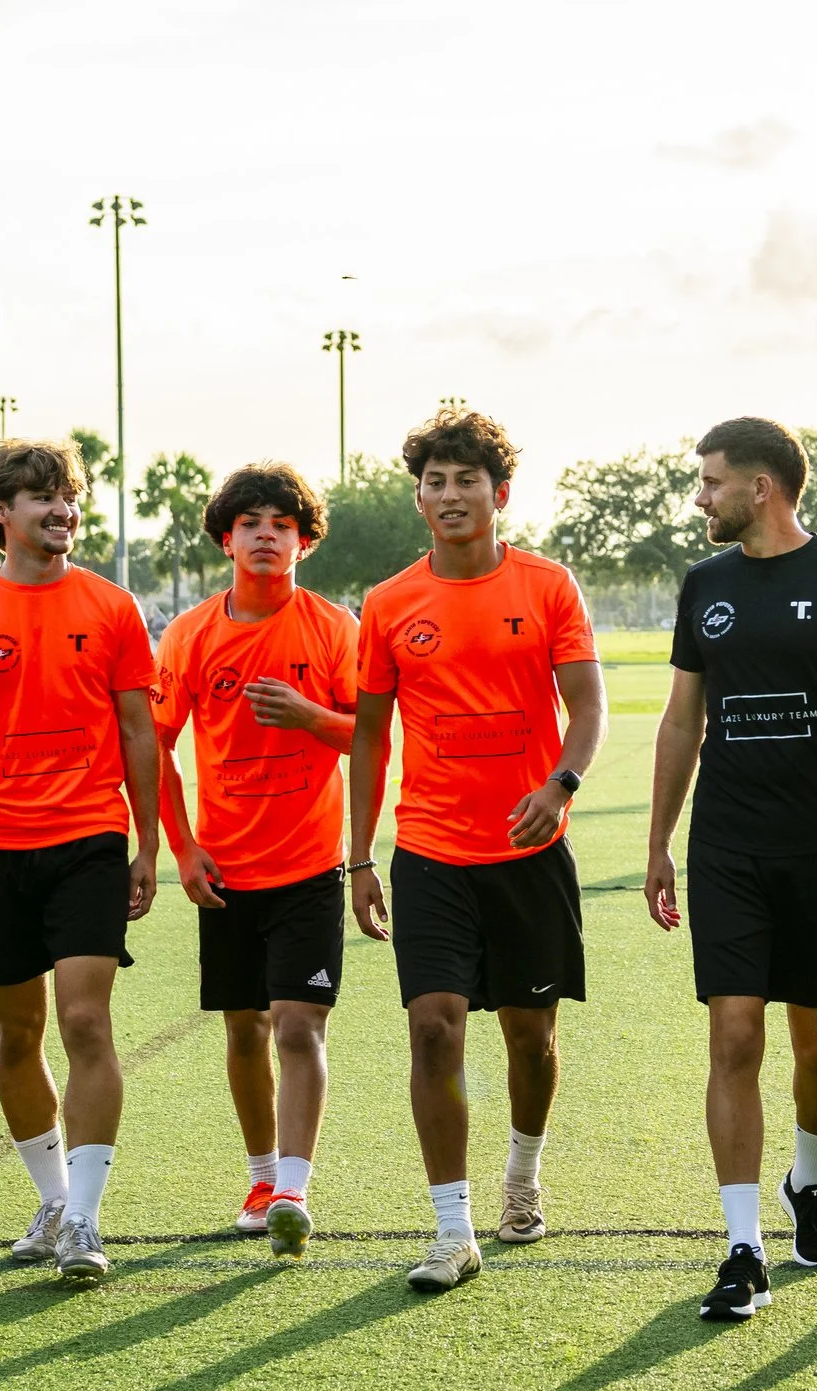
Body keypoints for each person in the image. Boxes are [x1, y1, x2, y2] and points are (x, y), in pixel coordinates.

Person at [646, 416, 817, 1323]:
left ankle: (808, 1181)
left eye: (711, 481)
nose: (701, 497)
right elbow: (683, 720)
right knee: (733, 1036)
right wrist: (659, 841)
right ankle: (743, 1248)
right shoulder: (705, 583)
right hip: (727, 847)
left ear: (761, 487)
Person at [349, 409, 606, 1294]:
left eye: (467, 480)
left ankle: (522, 1178)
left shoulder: (547, 586)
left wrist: (559, 787)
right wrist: (359, 857)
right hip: (430, 852)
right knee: (433, 1029)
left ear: (500, 494)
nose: (450, 495)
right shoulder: (388, 603)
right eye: (436, 481)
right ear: (419, 497)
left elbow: (588, 709)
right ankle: (452, 1231)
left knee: (531, 1039)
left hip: (530, 852)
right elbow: (370, 739)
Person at [0, 438, 159, 1284]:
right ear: (1, 513)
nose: (62, 510)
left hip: (88, 838)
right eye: (43, 497)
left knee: (85, 1021)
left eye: (69, 496)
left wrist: (148, 841)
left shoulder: (113, 607)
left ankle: (85, 1219)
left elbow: (139, 731)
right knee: (17, 1034)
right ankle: (52, 1201)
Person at [153, 462, 357, 1257]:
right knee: (245, 1030)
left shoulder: (332, 629)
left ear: (304, 542)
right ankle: (262, 1176)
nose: (266, 536)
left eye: (282, 524)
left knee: (299, 1027)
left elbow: (371, 735)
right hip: (226, 872)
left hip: (310, 864)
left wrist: (310, 716)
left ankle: (295, 1189)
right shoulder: (190, 635)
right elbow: (156, 748)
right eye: (250, 524)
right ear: (226, 539)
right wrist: (183, 849)